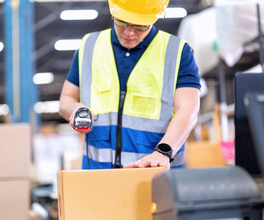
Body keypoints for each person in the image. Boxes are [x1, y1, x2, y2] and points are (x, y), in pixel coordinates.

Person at [59, 0, 201, 170]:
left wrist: (163, 152)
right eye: (122, 22)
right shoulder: (89, 46)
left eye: (140, 26)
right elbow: (66, 99)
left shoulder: (177, 52)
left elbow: (188, 109)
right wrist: (76, 110)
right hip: (98, 175)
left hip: (153, 175)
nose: (129, 32)